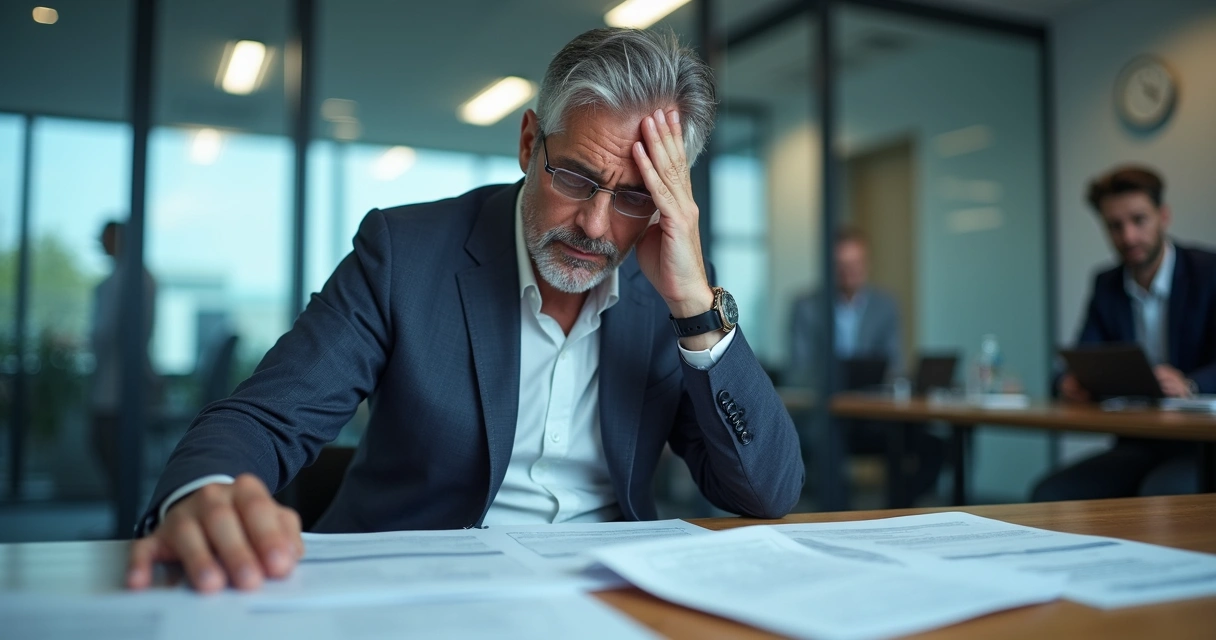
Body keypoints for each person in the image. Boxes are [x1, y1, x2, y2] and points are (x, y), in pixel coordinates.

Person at [127, 28, 804, 593]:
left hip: (608, 598)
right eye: (575, 177)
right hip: (414, 592)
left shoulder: (677, 293)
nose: (596, 225)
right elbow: (267, 415)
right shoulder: (404, 253)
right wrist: (203, 494)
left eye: (634, 197)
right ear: (529, 141)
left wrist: (693, 306)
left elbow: (767, 492)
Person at [1032, 165, 1216, 502]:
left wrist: (1189, 384)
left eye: (1138, 220)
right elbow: (1081, 358)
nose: (1128, 237)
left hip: (1202, 445)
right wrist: (1067, 383)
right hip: (1138, 443)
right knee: (1050, 495)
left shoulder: (1208, 272)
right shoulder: (1107, 284)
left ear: (1163, 216)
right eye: (1115, 226)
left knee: (1160, 499)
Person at [789, 227, 943, 507]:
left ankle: (896, 510)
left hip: (873, 414)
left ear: (867, 264)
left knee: (932, 443)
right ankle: (837, 513)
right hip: (825, 415)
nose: (850, 272)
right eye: (842, 265)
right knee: (827, 442)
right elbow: (800, 369)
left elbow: (893, 365)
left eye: (856, 263)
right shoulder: (806, 306)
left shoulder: (885, 306)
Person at [89, 220, 157, 497]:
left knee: (110, 443)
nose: (101, 243)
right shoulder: (133, 277)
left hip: (121, 377)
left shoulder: (130, 279)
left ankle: (126, 508)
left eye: (107, 237)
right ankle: (123, 506)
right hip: (117, 375)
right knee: (109, 444)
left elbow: (110, 331)